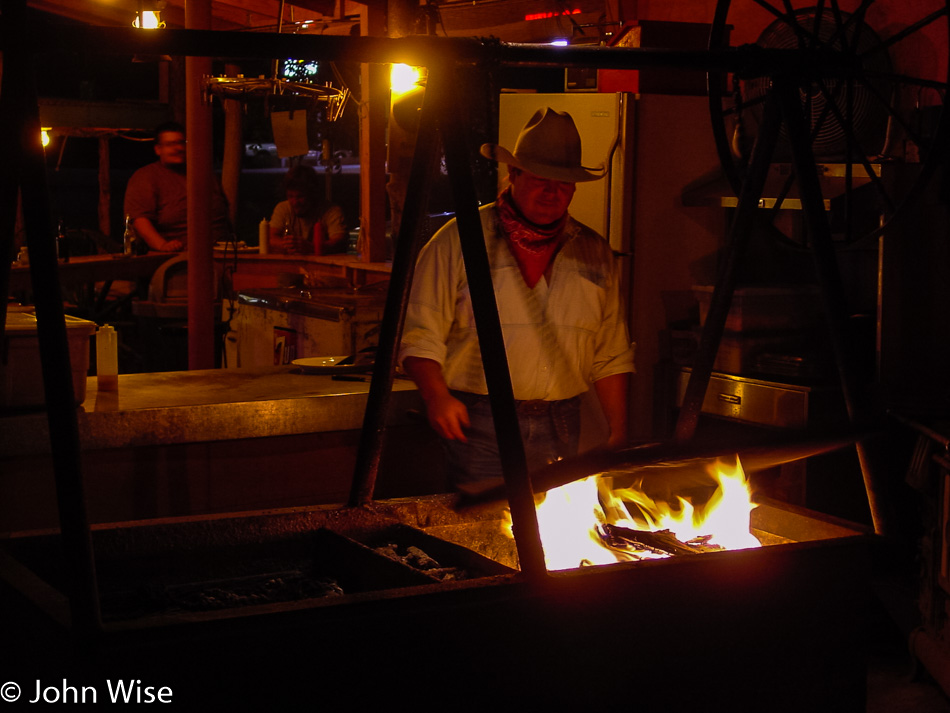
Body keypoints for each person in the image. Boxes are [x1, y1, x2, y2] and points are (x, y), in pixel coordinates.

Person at [399, 107, 635, 495]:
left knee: (548, 535)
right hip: (480, 420)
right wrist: (437, 396)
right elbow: (419, 333)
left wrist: (618, 433)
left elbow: (611, 353)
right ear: (514, 174)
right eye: (541, 178)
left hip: (563, 420)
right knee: (487, 529)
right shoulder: (459, 241)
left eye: (563, 182)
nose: (552, 191)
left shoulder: (593, 252)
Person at [123, 121, 230, 252]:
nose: (178, 148)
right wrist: (162, 245)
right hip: (179, 254)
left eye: (181, 143)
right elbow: (139, 219)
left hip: (222, 250)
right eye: (170, 144)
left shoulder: (204, 174)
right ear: (158, 149)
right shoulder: (146, 177)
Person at [268, 166, 348, 255]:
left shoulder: (331, 211)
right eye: (290, 196)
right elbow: (271, 238)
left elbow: (339, 241)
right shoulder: (283, 208)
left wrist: (312, 247)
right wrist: (289, 245)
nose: (295, 202)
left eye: (300, 197)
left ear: (312, 194)